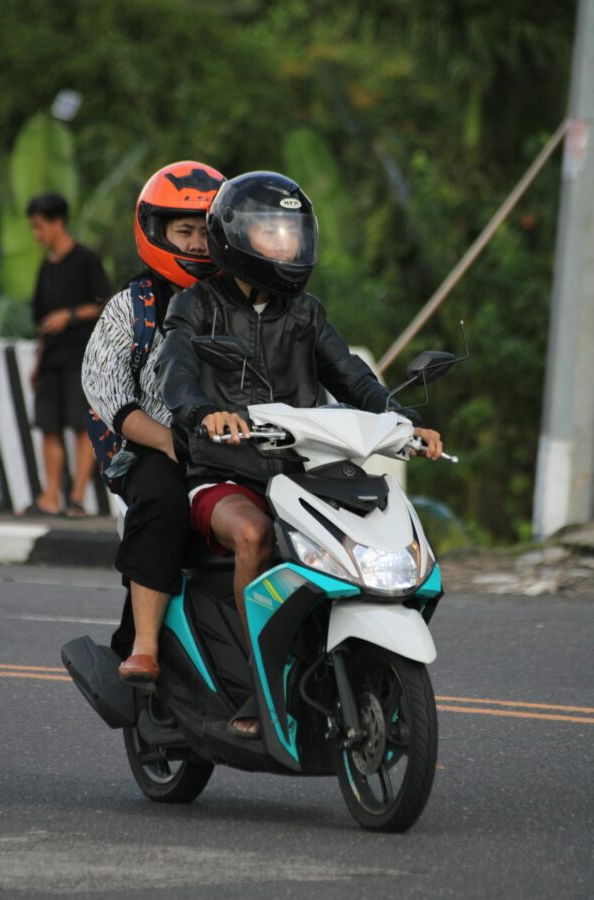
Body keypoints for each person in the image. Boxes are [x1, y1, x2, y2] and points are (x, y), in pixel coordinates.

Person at [155, 170, 443, 736]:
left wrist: (404, 420)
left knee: (356, 545)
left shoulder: (306, 312)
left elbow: (353, 377)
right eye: (269, 231)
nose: (284, 244)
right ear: (235, 236)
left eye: (291, 232)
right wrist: (202, 413)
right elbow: (176, 373)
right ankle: (256, 692)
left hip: (302, 474)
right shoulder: (195, 306)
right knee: (255, 536)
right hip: (222, 473)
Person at [81, 160, 226, 683]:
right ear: (155, 230)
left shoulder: (245, 299)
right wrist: (174, 443)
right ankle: (142, 646)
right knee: (164, 499)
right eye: (183, 230)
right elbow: (112, 400)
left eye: (207, 231)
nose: (196, 244)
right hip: (149, 450)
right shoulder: (131, 307)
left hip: (238, 448)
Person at [26, 192, 110, 516]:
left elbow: (105, 303)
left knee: (80, 425)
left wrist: (70, 316)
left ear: (57, 222)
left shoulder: (85, 259)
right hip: (50, 358)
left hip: (79, 356)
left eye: (39, 226)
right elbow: (40, 321)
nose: (37, 235)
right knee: (49, 425)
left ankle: (76, 498)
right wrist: (37, 361)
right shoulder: (45, 268)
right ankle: (49, 496)